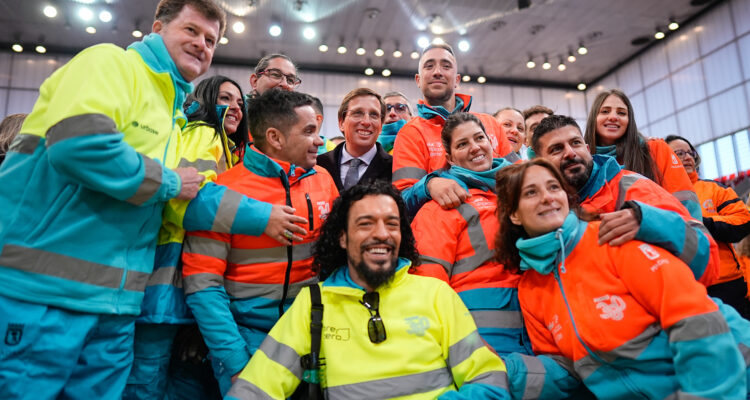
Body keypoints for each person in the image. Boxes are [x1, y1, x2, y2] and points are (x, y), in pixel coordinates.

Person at [0, 0, 224, 397]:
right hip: (41, 294)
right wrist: (170, 183)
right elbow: (79, 145)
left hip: (118, 306)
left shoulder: (172, 116)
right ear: (157, 27)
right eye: (191, 30)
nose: (202, 44)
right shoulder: (111, 64)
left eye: (211, 39)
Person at [226, 181, 511, 400]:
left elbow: (489, 381)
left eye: (392, 224)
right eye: (365, 224)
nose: (382, 234)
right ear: (342, 237)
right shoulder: (313, 304)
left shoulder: (436, 294)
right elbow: (255, 388)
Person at [494, 159, 750, 399]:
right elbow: (566, 370)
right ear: (514, 214)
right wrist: (505, 373)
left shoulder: (611, 238)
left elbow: (695, 320)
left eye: (554, 187)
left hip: (726, 375)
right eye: (531, 192)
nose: (548, 197)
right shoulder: (530, 288)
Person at [182, 89, 339, 395]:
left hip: (310, 336)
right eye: (309, 131)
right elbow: (203, 286)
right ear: (275, 138)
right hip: (246, 339)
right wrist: (234, 360)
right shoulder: (225, 191)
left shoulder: (323, 180)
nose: (320, 141)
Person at [531, 115, 719, 286]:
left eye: (575, 143)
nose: (570, 152)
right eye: (557, 149)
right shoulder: (544, 211)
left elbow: (708, 260)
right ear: (540, 162)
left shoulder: (633, 187)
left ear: (587, 149)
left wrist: (649, 222)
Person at [410, 113, 529, 356]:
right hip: (480, 335)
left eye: (479, 138)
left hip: (536, 326)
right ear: (449, 157)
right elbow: (429, 285)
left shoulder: (521, 191)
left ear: (491, 142)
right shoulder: (439, 207)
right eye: (463, 144)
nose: (475, 148)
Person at [392, 42, 516, 215]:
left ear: (457, 79)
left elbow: (520, 175)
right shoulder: (410, 133)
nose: (437, 72)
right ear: (418, 81)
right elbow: (400, 200)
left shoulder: (491, 124)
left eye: (446, 66)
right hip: (445, 233)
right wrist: (429, 185)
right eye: (429, 66)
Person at [667, 134, 750, 318]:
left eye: (690, 153)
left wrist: (703, 223)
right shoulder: (658, 195)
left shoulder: (713, 189)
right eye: (679, 153)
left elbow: (743, 220)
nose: (687, 157)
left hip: (727, 283)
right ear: (664, 158)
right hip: (685, 287)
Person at [584, 89, 701, 219]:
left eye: (621, 113)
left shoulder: (655, 148)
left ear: (630, 120)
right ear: (594, 118)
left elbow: (686, 203)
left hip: (663, 233)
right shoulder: (584, 161)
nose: (613, 117)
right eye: (605, 111)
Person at [317, 88, 392, 191]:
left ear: (381, 126)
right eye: (358, 113)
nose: (366, 122)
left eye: (374, 115)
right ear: (341, 122)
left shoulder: (394, 169)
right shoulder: (319, 165)